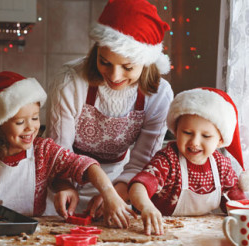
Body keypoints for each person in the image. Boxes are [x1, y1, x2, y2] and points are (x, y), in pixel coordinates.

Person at [0, 71, 135, 228]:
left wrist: (110, 194)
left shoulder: (43, 151)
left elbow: (85, 165)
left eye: (35, 118)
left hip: (28, 236)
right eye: (20, 122)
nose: (31, 128)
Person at [45, 0, 174, 218]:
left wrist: (115, 193)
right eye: (105, 62)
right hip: (63, 182)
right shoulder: (70, 82)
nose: (114, 76)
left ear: (146, 61)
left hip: (120, 180)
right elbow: (59, 150)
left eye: (127, 67)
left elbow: (143, 160)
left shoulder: (159, 94)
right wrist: (64, 186)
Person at [128, 87, 249, 235]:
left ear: (220, 140)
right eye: (187, 133)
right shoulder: (168, 160)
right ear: (176, 131)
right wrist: (146, 207)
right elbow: (138, 186)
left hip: (198, 234)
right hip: (157, 231)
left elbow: (237, 203)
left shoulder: (222, 167)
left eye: (206, 136)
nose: (195, 142)